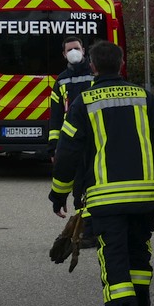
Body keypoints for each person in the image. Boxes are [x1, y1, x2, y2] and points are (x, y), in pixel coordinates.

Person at [50, 41, 154, 306]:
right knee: (138, 253)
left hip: (106, 199)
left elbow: (67, 152)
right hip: (145, 197)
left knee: (114, 259)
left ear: (92, 66)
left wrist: (59, 193)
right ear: (121, 64)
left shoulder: (84, 102)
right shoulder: (144, 97)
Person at [48, 36, 95, 241]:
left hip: (95, 139)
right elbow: (56, 117)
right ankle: (83, 228)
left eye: (76, 48)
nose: (74, 52)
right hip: (73, 142)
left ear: (83, 50)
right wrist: (54, 148)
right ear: (64, 54)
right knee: (78, 187)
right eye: (69, 50)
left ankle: (93, 229)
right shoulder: (61, 81)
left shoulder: (95, 75)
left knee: (94, 184)